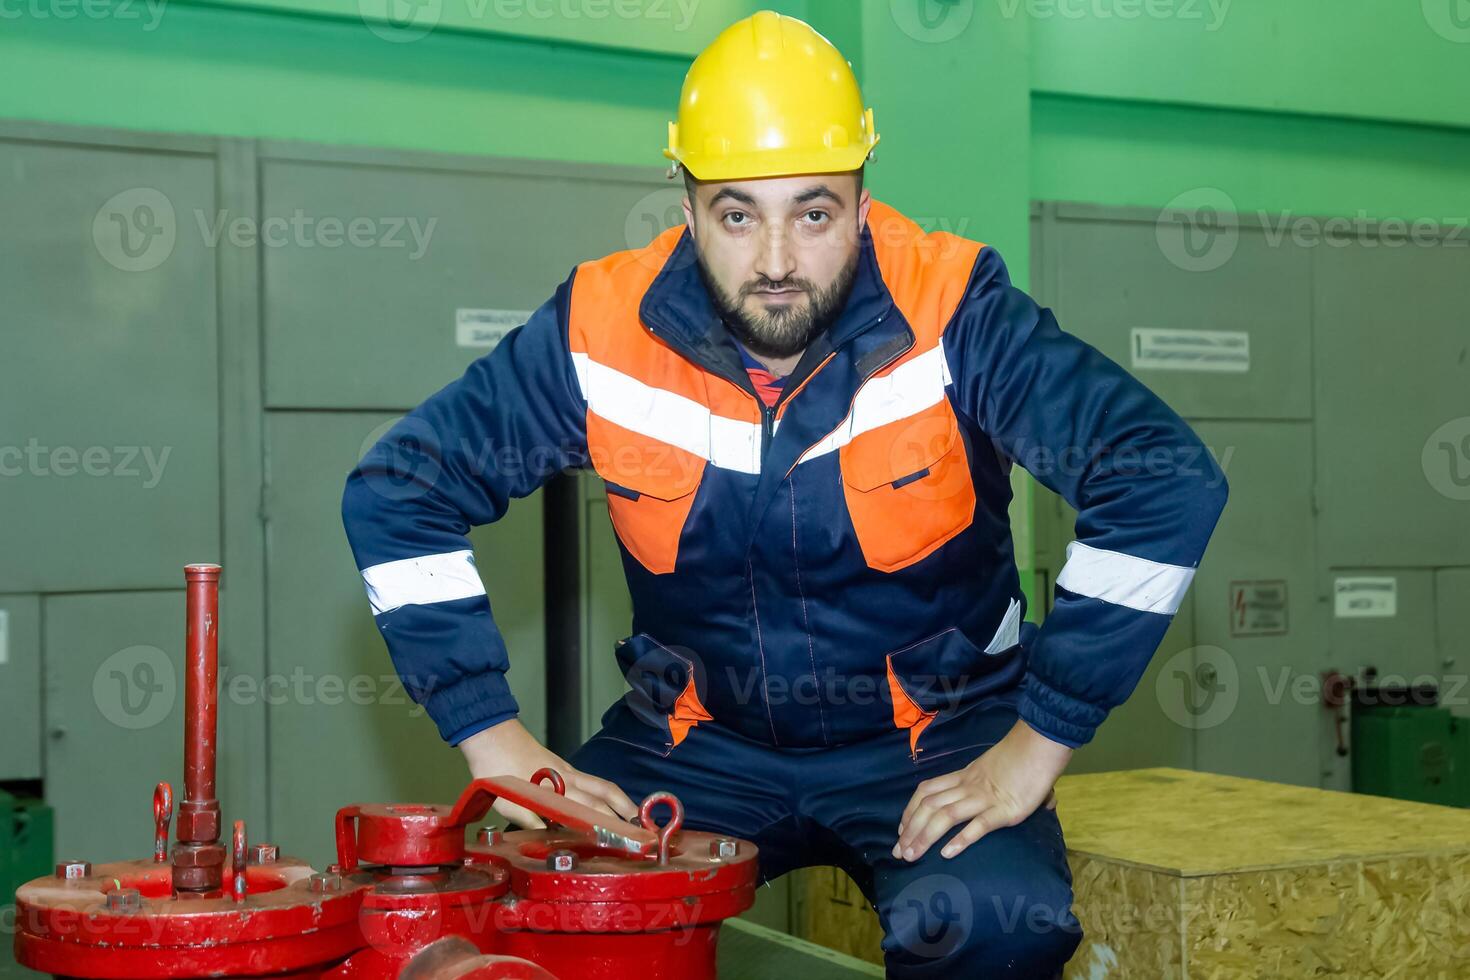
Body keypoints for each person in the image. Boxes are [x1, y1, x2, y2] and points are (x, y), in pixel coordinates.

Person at [342, 10, 1227, 977]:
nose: (775, 259)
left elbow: (1164, 481)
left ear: (860, 198)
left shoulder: (957, 313)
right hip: (698, 741)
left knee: (993, 923)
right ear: (686, 208)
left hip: (932, 740)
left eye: (812, 212)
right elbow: (399, 490)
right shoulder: (601, 330)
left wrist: (1038, 741)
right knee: (551, 910)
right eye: (736, 214)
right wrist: (494, 741)